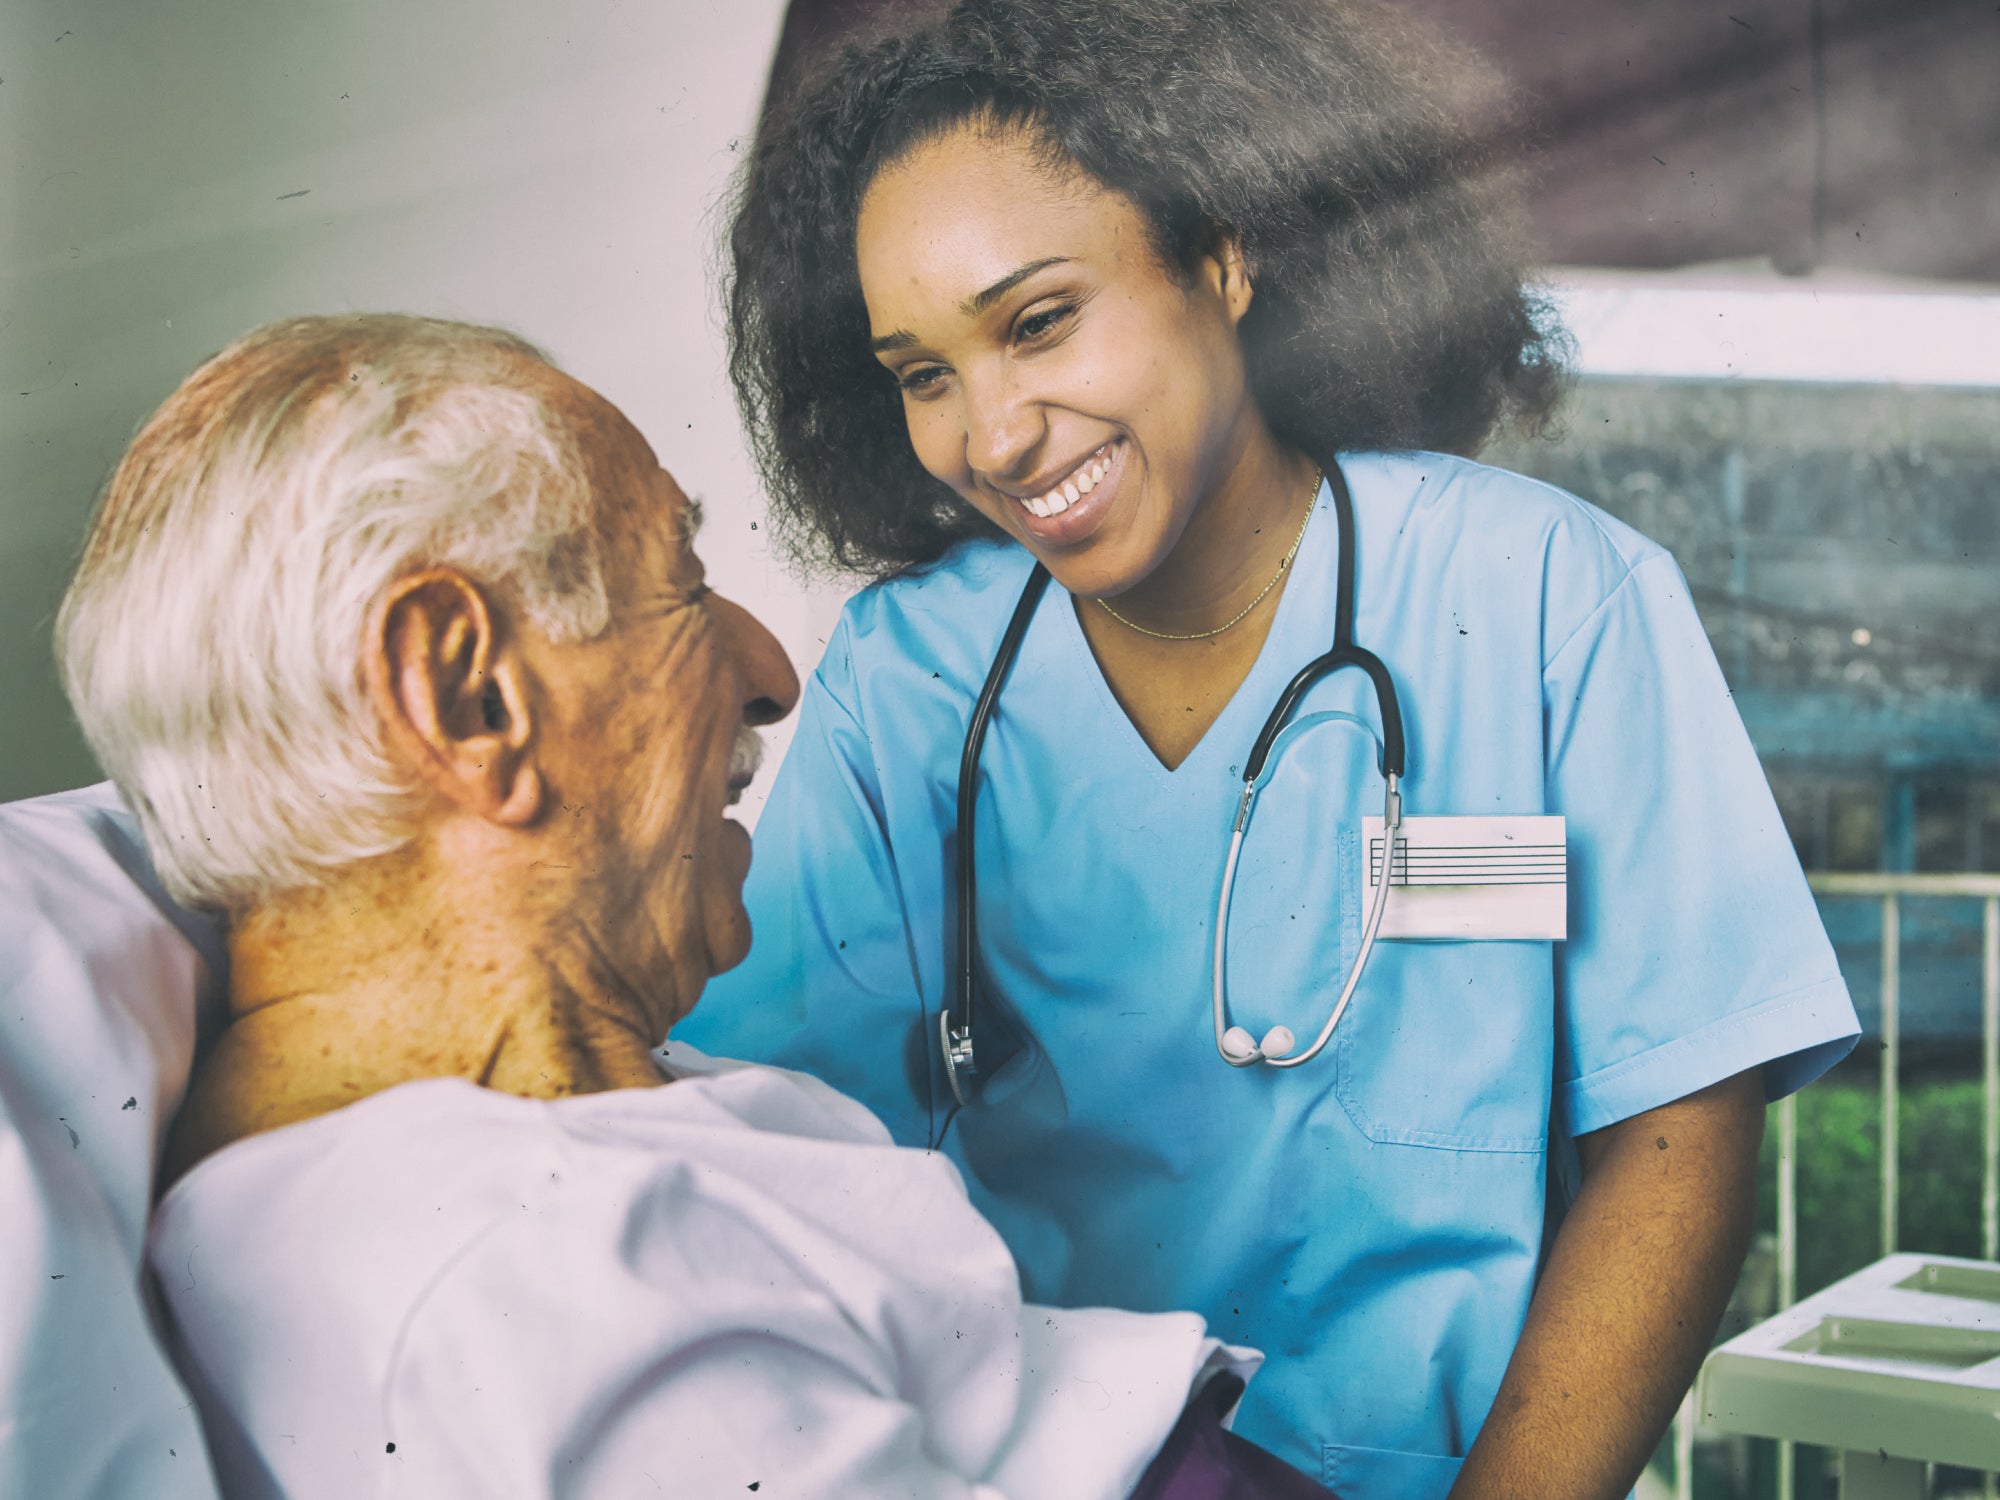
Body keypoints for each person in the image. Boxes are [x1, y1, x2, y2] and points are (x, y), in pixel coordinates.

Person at [673, 2, 1864, 1497]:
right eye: (923, 373)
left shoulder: (1545, 598)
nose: (992, 433)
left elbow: (1678, 1131)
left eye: (1039, 321)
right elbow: (785, 1145)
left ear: (1223, 255)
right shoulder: (910, 683)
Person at [56, 313, 1338, 1500]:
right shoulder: (525, 1282)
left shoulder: (517, 1148)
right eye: (677, 579)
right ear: (465, 696)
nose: (772, 676)